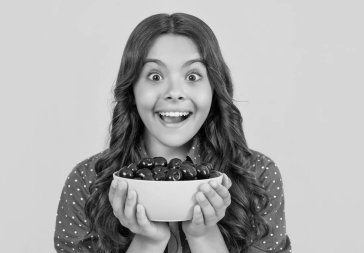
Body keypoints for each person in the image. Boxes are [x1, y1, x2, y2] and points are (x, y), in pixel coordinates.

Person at [54, 13, 292, 253]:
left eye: (192, 76)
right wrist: (148, 241)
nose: (174, 92)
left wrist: (204, 236)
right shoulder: (88, 182)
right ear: (132, 89)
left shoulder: (258, 176)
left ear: (213, 89)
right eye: (155, 76)